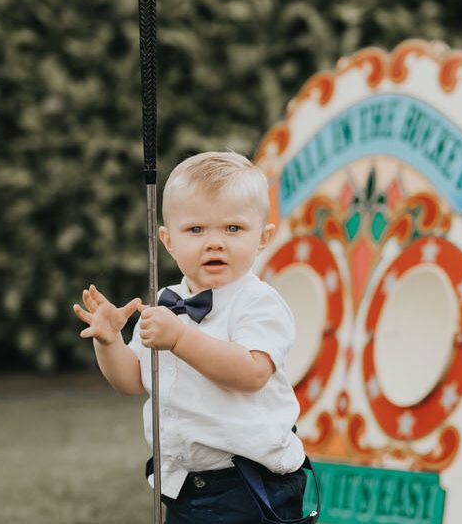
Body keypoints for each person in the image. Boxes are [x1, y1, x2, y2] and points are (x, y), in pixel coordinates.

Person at [72, 151, 308, 523]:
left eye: (233, 229)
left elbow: (251, 373)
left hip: (249, 484)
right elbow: (133, 380)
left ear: (263, 238)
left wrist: (181, 339)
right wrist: (109, 342)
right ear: (168, 241)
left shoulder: (258, 303)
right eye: (196, 230)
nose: (214, 242)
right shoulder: (168, 305)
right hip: (183, 483)